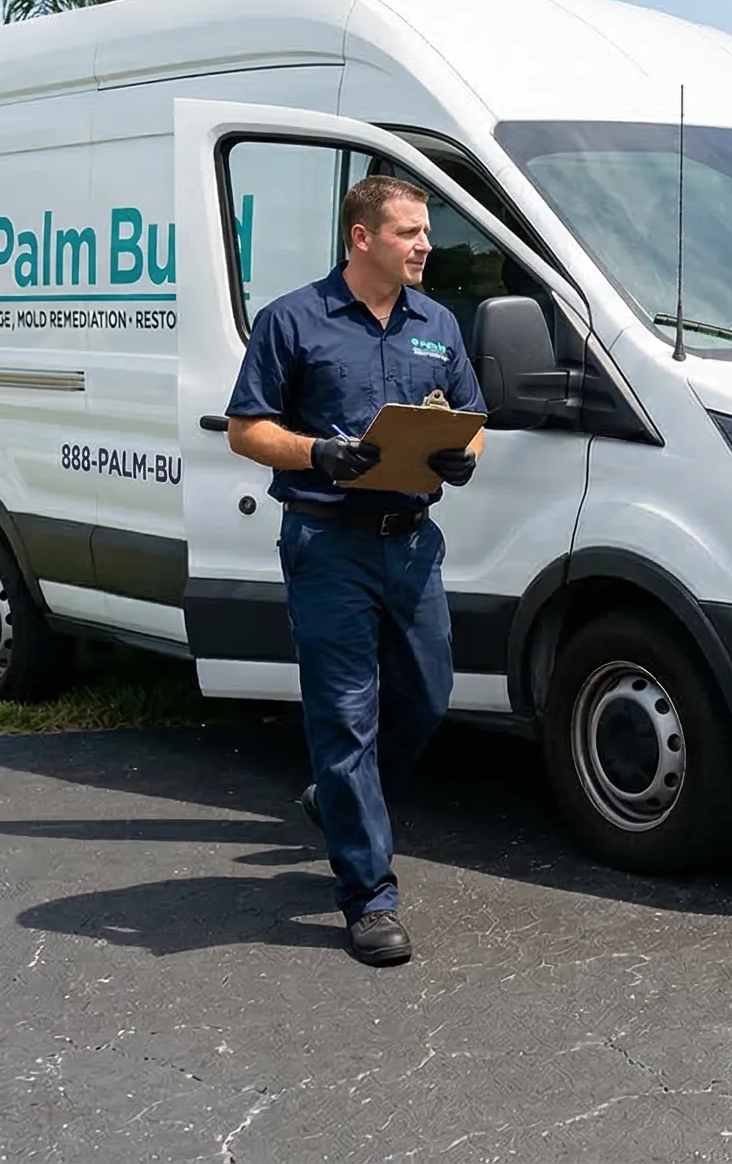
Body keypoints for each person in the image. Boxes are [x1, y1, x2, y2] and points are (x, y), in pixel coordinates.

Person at [226, 174, 486, 967]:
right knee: (344, 718)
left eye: (425, 233)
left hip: (412, 541)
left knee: (429, 696)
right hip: (327, 543)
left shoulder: (438, 322)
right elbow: (246, 430)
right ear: (362, 237)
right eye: (410, 232)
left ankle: (335, 798)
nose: (426, 245)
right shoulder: (292, 320)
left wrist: (460, 455)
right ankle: (369, 898)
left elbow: (472, 425)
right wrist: (317, 452)